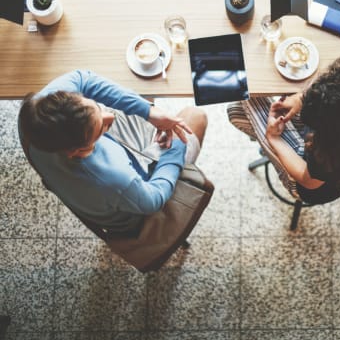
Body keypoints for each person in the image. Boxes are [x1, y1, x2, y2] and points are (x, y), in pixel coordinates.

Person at [18, 70, 207, 237]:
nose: (111, 117)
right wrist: (175, 146)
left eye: (96, 106)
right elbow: (153, 200)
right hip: (132, 210)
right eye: (101, 128)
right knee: (195, 116)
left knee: (141, 92)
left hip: (95, 188)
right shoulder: (115, 178)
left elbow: (83, 79)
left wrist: (149, 111)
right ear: (77, 151)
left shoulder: (35, 115)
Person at [228, 56, 340, 205]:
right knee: (243, 107)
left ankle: (265, 143)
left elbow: (307, 180)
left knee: (236, 108)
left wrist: (274, 139)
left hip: (309, 186)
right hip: (339, 159)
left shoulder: (330, 155)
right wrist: (300, 99)